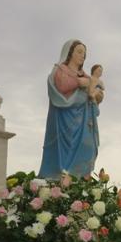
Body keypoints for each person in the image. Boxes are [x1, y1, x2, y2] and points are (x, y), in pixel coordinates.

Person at [38, 39, 102, 179]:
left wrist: (97, 94)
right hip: (64, 122)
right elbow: (60, 86)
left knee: (88, 147)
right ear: (69, 53)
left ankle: (81, 178)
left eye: (84, 54)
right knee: (65, 152)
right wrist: (79, 82)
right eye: (79, 52)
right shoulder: (61, 70)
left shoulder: (85, 75)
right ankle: (61, 178)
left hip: (84, 122)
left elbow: (96, 91)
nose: (82, 56)